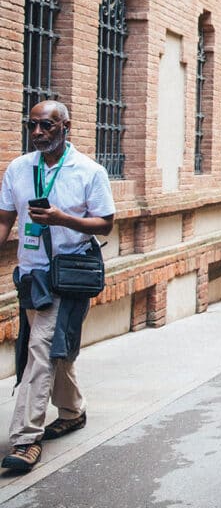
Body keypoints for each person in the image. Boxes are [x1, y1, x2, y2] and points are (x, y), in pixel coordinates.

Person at [0, 100, 115, 471]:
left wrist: (62, 219)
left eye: (46, 126)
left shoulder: (89, 171)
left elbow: (105, 224)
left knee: (41, 349)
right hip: (31, 276)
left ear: (66, 127)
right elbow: (4, 219)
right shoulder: (18, 169)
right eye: (32, 126)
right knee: (55, 352)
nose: (37, 133)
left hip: (69, 275)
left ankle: (24, 439)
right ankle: (72, 411)